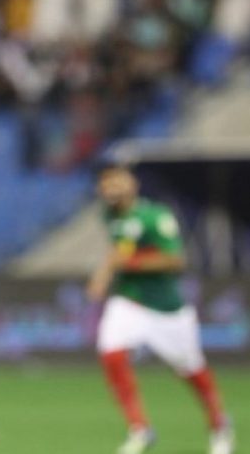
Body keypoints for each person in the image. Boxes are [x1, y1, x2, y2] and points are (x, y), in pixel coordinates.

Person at [86, 165, 235, 454]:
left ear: (133, 184)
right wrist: (102, 276)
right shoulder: (110, 216)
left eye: (117, 181)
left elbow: (175, 260)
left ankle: (219, 424)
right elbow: (118, 251)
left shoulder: (155, 216)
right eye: (106, 184)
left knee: (191, 369)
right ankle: (140, 428)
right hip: (129, 301)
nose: (112, 188)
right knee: (111, 351)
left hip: (166, 308)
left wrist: (129, 263)